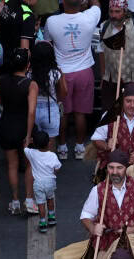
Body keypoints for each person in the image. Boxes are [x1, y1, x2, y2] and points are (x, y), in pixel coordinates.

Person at [42, 0, 100, 161]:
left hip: (62, 73)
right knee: (80, 113)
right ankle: (80, 147)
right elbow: (96, 4)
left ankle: (62, 147)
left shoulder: (52, 21)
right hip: (84, 71)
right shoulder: (90, 17)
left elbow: (47, 42)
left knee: (62, 113)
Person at [95, 0, 134, 104]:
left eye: (117, 11)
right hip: (110, 83)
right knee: (109, 117)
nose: (113, 15)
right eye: (111, 11)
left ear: (125, 11)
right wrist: (103, 77)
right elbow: (102, 52)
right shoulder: (104, 27)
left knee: (132, 116)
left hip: (133, 84)